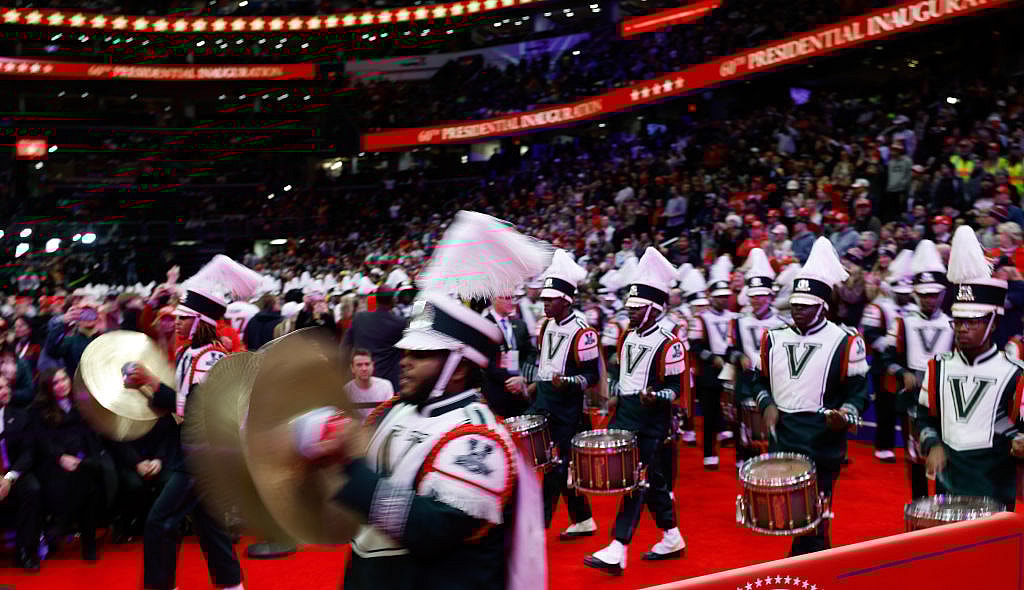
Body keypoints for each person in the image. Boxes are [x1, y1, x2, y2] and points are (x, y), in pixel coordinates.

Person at [297, 291, 544, 590]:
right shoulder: (394, 409)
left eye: (421, 355)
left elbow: (433, 529)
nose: (405, 362)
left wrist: (347, 467)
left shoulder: (480, 437)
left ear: (459, 369)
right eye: (405, 352)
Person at [122, 255, 256, 590]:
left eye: (184, 318)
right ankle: (231, 586)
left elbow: (194, 409)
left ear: (200, 322)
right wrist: (145, 386)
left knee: (160, 521)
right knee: (210, 527)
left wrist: (149, 383)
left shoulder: (211, 357)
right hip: (195, 451)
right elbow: (179, 406)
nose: (176, 323)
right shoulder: (187, 354)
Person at [744, 237, 870, 556]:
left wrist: (845, 414)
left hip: (822, 437)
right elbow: (755, 381)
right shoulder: (772, 338)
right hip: (783, 434)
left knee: (814, 516)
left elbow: (859, 391)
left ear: (823, 306)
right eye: (795, 305)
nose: (797, 310)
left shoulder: (845, 340)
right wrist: (767, 404)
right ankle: (816, 566)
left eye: (806, 305)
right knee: (798, 518)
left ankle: (802, 567)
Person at [585, 248, 686, 575]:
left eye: (636, 307)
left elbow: (676, 390)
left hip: (652, 421)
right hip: (627, 414)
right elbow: (624, 375)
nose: (629, 311)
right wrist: (616, 396)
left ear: (654, 309)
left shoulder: (671, 343)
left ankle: (618, 546)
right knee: (652, 480)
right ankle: (672, 536)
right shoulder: (628, 336)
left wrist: (655, 396)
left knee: (637, 480)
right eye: (629, 305)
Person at [917, 226, 1024, 510]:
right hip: (947, 487)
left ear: (993, 323)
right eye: (958, 321)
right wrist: (933, 444)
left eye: (973, 321)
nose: (962, 329)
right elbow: (924, 418)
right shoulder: (937, 368)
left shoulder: (1016, 373)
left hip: (995, 491)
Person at [527, 249, 601, 539]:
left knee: (555, 466)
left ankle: (539, 524)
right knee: (556, 464)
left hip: (568, 408)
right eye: (543, 299)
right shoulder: (545, 325)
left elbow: (592, 377)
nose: (544, 304)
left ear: (566, 301)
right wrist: (534, 384)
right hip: (543, 400)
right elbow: (543, 363)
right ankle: (583, 519)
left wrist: (568, 382)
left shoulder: (584, 333)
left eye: (550, 300)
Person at [879, 241, 953, 498]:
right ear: (916, 295)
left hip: (946, 398)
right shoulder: (903, 324)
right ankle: (919, 504)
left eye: (934, 294)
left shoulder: (953, 324)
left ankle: (945, 504)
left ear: (942, 295)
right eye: (924, 295)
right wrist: (902, 373)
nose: (929, 300)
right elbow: (885, 360)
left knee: (945, 450)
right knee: (916, 455)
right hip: (911, 396)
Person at [32, 367, 108, 562]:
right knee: (86, 483)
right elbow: (42, 442)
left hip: (82, 460)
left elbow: (91, 437)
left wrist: (90, 458)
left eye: (64, 379)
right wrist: (60, 457)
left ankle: (61, 526)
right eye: (55, 383)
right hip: (54, 464)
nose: (62, 385)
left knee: (87, 473)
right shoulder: (40, 410)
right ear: (48, 388)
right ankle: (88, 543)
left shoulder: (81, 403)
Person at [726, 249, 786, 467]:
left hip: (773, 380)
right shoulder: (738, 320)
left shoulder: (782, 323)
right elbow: (729, 350)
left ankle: (772, 455)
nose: (757, 300)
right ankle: (743, 457)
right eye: (753, 295)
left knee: (772, 418)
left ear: (771, 296)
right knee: (744, 420)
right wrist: (739, 356)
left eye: (762, 295)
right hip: (746, 379)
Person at [690, 256, 739, 469]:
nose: (723, 300)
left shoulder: (734, 316)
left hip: (731, 366)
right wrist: (711, 358)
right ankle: (709, 454)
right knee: (710, 414)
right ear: (711, 297)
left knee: (736, 413)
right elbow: (694, 346)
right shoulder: (701, 318)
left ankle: (741, 456)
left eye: (725, 296)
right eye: (719, 297)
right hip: (709, 370)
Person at [0, 374, 42, 572]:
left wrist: (8, 478)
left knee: (32, 489)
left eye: (6, 386)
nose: (6, 390)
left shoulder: (21, 416)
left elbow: (28, 452)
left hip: (15, 473)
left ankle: (25, 550)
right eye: (0, 388)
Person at [481, 293, 537, 418]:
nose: (511, 301)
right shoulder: (485, 325)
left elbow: (530, 352)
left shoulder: (520, 324)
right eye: (506, 298)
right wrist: (510, 380)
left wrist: (523, 377)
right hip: (498, 391)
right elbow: (486, 361)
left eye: (513, 297)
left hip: (520, 389)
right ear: (494, 299)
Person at [342, 286, 407, 391]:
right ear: (393, 300)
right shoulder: (400, 323)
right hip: (389, 385)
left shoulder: (359, 318)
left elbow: (344, 348)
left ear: (376, 300)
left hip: (360, 381)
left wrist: (344, 372)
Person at [344, 348, 395, 422]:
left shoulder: (385, 386)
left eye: (367, 364)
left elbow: (390, 415)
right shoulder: (347, 390)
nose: (364, 368)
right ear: (352, 368)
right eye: (359, 365)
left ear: (373, 366)